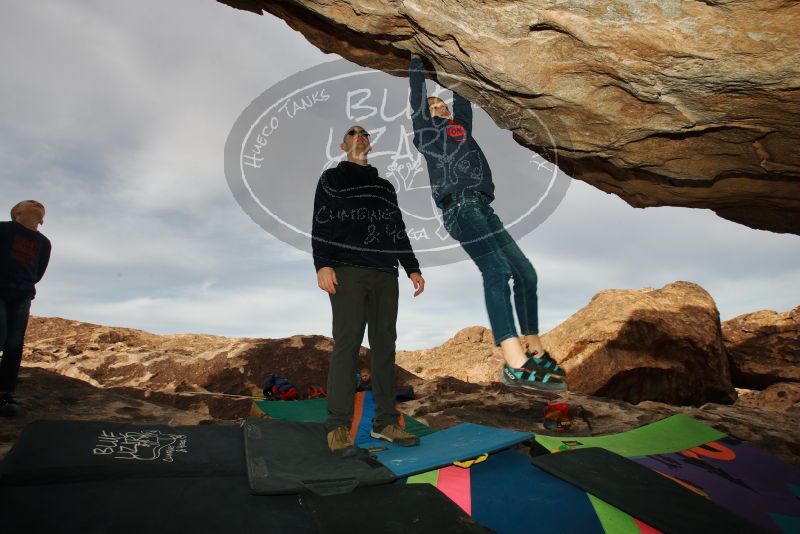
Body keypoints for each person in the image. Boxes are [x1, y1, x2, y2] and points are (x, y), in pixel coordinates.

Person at [409, 54, 567, 392]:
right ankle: (513, 362)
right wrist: (416, 66)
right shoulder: (425, 135)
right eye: (434, 108)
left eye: (443, 108)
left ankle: (534, 349)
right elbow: (418, 103)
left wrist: (453, 61)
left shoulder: (460, 127)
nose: (440, 110)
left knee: (525, 273)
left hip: (483, 206)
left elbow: (462, 98)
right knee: (497, 271)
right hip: (458, 209)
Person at [312, 125, 426, 456]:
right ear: (343, 144)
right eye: (352, 132)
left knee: (384, 347)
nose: (359, 136)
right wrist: (323, 263)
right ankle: (336, 427)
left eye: (364, 133)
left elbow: (397, 228)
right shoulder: (331, 179)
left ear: (370, 144)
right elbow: (322, 220)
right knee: (347, 346)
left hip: (385, 274)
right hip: (347, 270)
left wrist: (412, 267)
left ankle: (385, 422)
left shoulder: (384, 187)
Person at [0, 200, 51, 416]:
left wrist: (24, 285)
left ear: (42, 219)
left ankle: (4, 395)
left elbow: (38, 272)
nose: (36, 204)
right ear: (17, 211)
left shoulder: (44, 243)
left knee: (14, 344)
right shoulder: (3, 229)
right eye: (29, 202)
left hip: (22, 295)